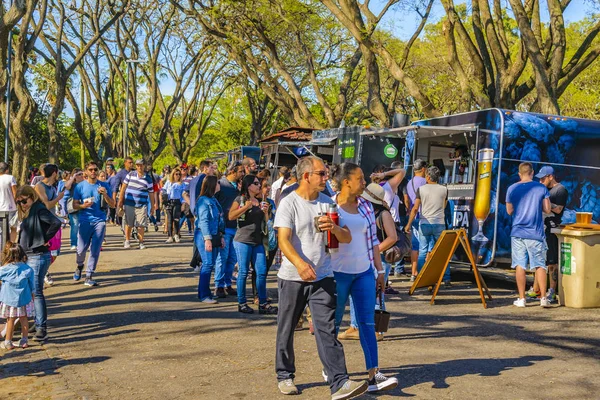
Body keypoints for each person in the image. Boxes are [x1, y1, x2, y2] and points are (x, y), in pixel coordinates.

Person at [274, 156, 367, 399]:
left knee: (326, 330)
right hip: (293, 277)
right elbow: (283, 240)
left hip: (323, 276)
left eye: (326, 174)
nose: (327, 178)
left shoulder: (328, 203)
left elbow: (345, 238)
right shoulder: (289, 202)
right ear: (306, 176)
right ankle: (285, 375)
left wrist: (334, 229)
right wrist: (300, 264)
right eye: (322, 174)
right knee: (287, 328)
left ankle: (339, 382)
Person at [328, 163, 398, 393]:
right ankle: (334, 370)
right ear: (346, 181)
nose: (364, 183)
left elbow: (373, 243)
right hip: (337, 274)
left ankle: (374, 375)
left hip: (364, 272)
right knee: (334, 323)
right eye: (359, 179)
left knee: (367, 323)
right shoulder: (329, 206)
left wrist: (379, 271)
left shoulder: (366, 206)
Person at [339, 183, 397, 342]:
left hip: (380, 259)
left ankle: (377, 330)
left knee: (376, 294)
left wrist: (374, 250)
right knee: (358, 292)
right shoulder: (367, 212)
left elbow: (392, 237)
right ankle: (355, 326)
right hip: (366, 258)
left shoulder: (383, 214)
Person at [16, 185, 61, 342]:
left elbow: (56, 223)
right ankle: (37, 322)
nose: (22, 204)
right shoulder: (30, 211)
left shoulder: (38, 208)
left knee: (37, 291)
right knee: (33, 292)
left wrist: (44, 239)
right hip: (30, 255)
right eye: (19, 202)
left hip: (38, 255)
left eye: (24, 200)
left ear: (31, 197)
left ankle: (42, 328)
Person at [229, 174, 277, 315]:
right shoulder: (240, 199)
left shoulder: (260, 200)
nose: (258, 186)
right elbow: (231, 216)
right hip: (243, 240)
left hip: (258, 241)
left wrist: (265, 212)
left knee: (261, 271)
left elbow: (266, 221)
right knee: (243, 272)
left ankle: (262, 303)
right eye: (256, 183)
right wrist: (246, 207)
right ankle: (242, 303)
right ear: (248, 185)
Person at [506, 162, 551, 308]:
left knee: (520, 264)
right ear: (532, 173)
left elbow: (509, 210)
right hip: (536, 232)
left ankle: (522, 299)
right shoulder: (541, 187)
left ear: (519, 174)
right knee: (540, 265)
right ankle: (543, 298)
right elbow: (547, 209)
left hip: (518, 232)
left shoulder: (512, 188)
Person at [72, 161, 115, 286]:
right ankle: (79, 266)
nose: (93, 172)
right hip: (85, 220)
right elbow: (74, 204)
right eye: (90, 169)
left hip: (99, 220)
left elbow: (112, 204)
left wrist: (105, 194)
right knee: (81, 249)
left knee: (95, 249)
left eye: (95, 169)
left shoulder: (104, 185)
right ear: (86, 171)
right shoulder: (80, 186)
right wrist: (82, 205)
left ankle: (89, 275)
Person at [529, 166, 568, 303]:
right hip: (539, 228)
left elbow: (558, 210)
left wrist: (544, 201)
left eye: (543, 178)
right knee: (539, 261)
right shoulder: (542, 189)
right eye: (539, 179)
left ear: (551, 177)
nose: (540, 181)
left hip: (551, 229)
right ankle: (536, 289)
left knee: (552, 262)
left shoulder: (560, 190)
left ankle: (551, 290)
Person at [405, 166, 449, 284]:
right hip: (439, 223)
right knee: (442, 251)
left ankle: (421, 277)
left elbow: (415, 208)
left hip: (424, 223)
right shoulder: (444, 189)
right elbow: (444, 205)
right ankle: (446, 277)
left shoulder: (421, 189)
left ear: (428, 176)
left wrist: (409, 224)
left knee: (422, 251)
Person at [213, 161, 244, 297]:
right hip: (223, 227)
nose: (242, 174)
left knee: (232, 258)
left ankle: (227, 283)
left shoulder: (238, 187)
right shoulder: (220, 184)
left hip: (235, 227)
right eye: (240, 171)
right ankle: (218, 285)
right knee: (222, 257)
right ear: (232, 171)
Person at [195, 176, 225, 304]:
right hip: (204, 235)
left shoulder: (213, 200)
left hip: (215, 234)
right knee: (207, 264)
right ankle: (204, 294)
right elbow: (204, 221)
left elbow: (219, 220)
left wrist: (221, 236)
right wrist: (207, 239)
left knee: (210, 263)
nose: (220, 185)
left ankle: (205, 293)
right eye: (218, 183)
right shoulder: (203, 201)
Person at [0, 242, 35, 350]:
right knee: (24, 319)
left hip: (9, 299)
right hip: (24, 299)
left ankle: (8, 342)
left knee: (10, 320)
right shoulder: (28, 269)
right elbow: (32, 286)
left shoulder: (4, 269)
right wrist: (32, 297)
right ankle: (24, 340)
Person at [117, 159, 155, 250]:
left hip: (142, 204)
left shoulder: (148, 179)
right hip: (129, 203)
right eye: (138, 165)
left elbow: (151, 193)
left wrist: (153, 206)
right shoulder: (130, 175)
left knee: (141, 224)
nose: (139, 167)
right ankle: (127, 240)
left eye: (141, 165)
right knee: (129, 223)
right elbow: (123, 188)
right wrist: (120, 202)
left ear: (144, 166)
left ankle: (141, 242)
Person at [405, 159, 427, 282]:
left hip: (412, 216)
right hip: (422, 216)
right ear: (423, 169)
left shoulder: (410, 182)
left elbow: (408, 200)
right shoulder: (425, 182)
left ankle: (413, 272)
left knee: (415, 246)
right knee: (424, 247)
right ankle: (422, 273)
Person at [163, 167, 186, 243]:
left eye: (179, 174)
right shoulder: (168, 182)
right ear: (173, 174)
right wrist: (163, 199)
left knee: (176, 219)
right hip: (169, 202)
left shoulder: (182, 184)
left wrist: (183, 204)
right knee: (169, 220)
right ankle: (170, 236)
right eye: (176, 174)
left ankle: (176, 234)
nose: (178, 176)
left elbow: (184, 194)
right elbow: (164, 190)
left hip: (177, 202)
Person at [64, 168, 85, 250]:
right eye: (78, 174)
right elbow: (66, 186)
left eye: (81, 174)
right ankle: (74, 243)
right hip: (73, 207)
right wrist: (73, 177)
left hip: (84, 206)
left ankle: (83, 242)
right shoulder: (72, 184)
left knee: (84, 225)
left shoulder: (85, 183)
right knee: (75, 226)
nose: (81, 176)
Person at [111, 157, 134, 227]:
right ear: (125, 163)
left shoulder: (135, 172)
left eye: (132, 162)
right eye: (129, 162)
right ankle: (124, 228)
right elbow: (116, 187)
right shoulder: (120, 174)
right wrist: (114, 199)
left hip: (135, 197)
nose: (131, 164)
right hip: (124, 197)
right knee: (124, 215)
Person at [0, 162, 18, 242]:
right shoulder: (10, 178)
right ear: (7, 170)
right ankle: (10, 245)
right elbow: (15, 192)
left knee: (1, 229)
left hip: (0, 208)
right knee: (13, 227)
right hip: (10, 207)